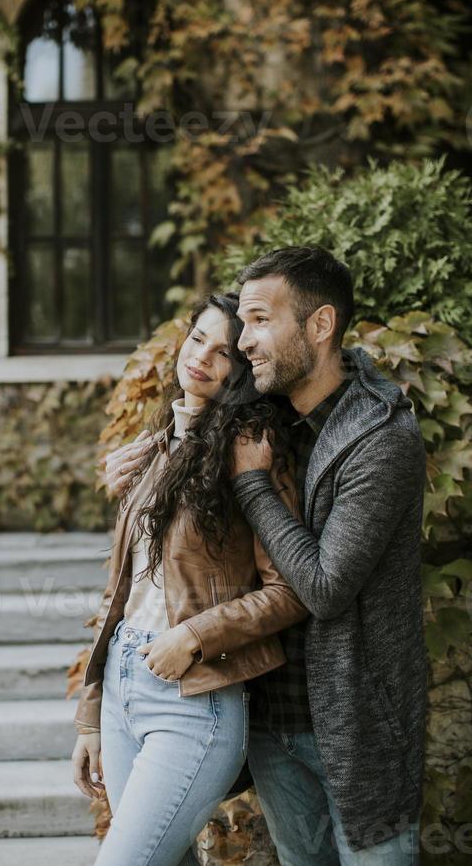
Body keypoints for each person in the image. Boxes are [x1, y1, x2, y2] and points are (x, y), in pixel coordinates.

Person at [72, 292, 308, 866]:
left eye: (224, 351)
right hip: (125, 685)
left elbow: (292, 589)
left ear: (242, 369)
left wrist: (195, 636)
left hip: (193, 700)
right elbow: (123, 592)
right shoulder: (160, 446)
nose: (202, 357)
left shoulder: (251, 450)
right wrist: (90, 712)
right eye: (198, 338)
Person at [230, 245, 427, 865]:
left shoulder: (382, 438)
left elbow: (325, 587)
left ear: (320, 326)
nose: (243, 340)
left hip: (359, 732)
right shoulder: (263, 418)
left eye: (261, 319)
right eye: (242, 321)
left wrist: (253, 486)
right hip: (271, 727)